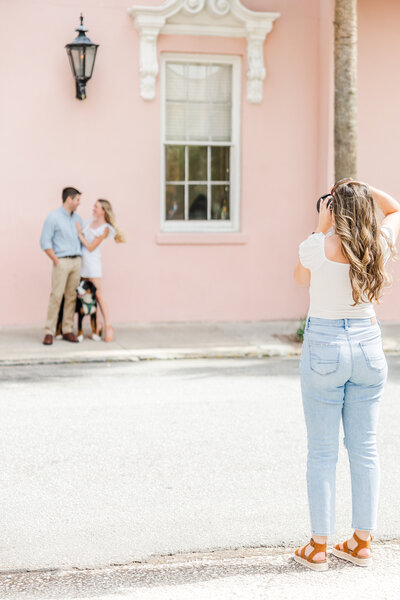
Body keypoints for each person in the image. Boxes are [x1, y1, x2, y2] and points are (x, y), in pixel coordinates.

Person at [293, 180, 400, 571]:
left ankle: (318, 547)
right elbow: (395, 208)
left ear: (333, 209)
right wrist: (361, 187)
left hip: (324, 345)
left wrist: (321, 225)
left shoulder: (317, 245)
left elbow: (300, 278)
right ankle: (361, 542)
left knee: (322, 450)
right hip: (368, 346)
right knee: (365, 447)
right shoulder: (379, 244)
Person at [76, 199, 125, 342]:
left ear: (103, 210)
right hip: (83, 263)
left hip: (93, 263)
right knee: (87, 295)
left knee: (98, 294)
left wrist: (79, 235)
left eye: (96, 207)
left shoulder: (105, 228)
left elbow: (91, 247)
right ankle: (96, 325)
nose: (93, 208)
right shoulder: (89, 222)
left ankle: (108, 325)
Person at [40, 187, 83, 345]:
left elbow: (82, 239)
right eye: (77, 199)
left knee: (71, 297)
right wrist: (56, 260)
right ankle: (49, 331)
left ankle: (67, 330)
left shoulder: (78, 219)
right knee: (56, 296)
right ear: (69, 200)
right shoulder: (53, 217)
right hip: (62, 261)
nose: (79, 203)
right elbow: (44, 242)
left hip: (76, 261)